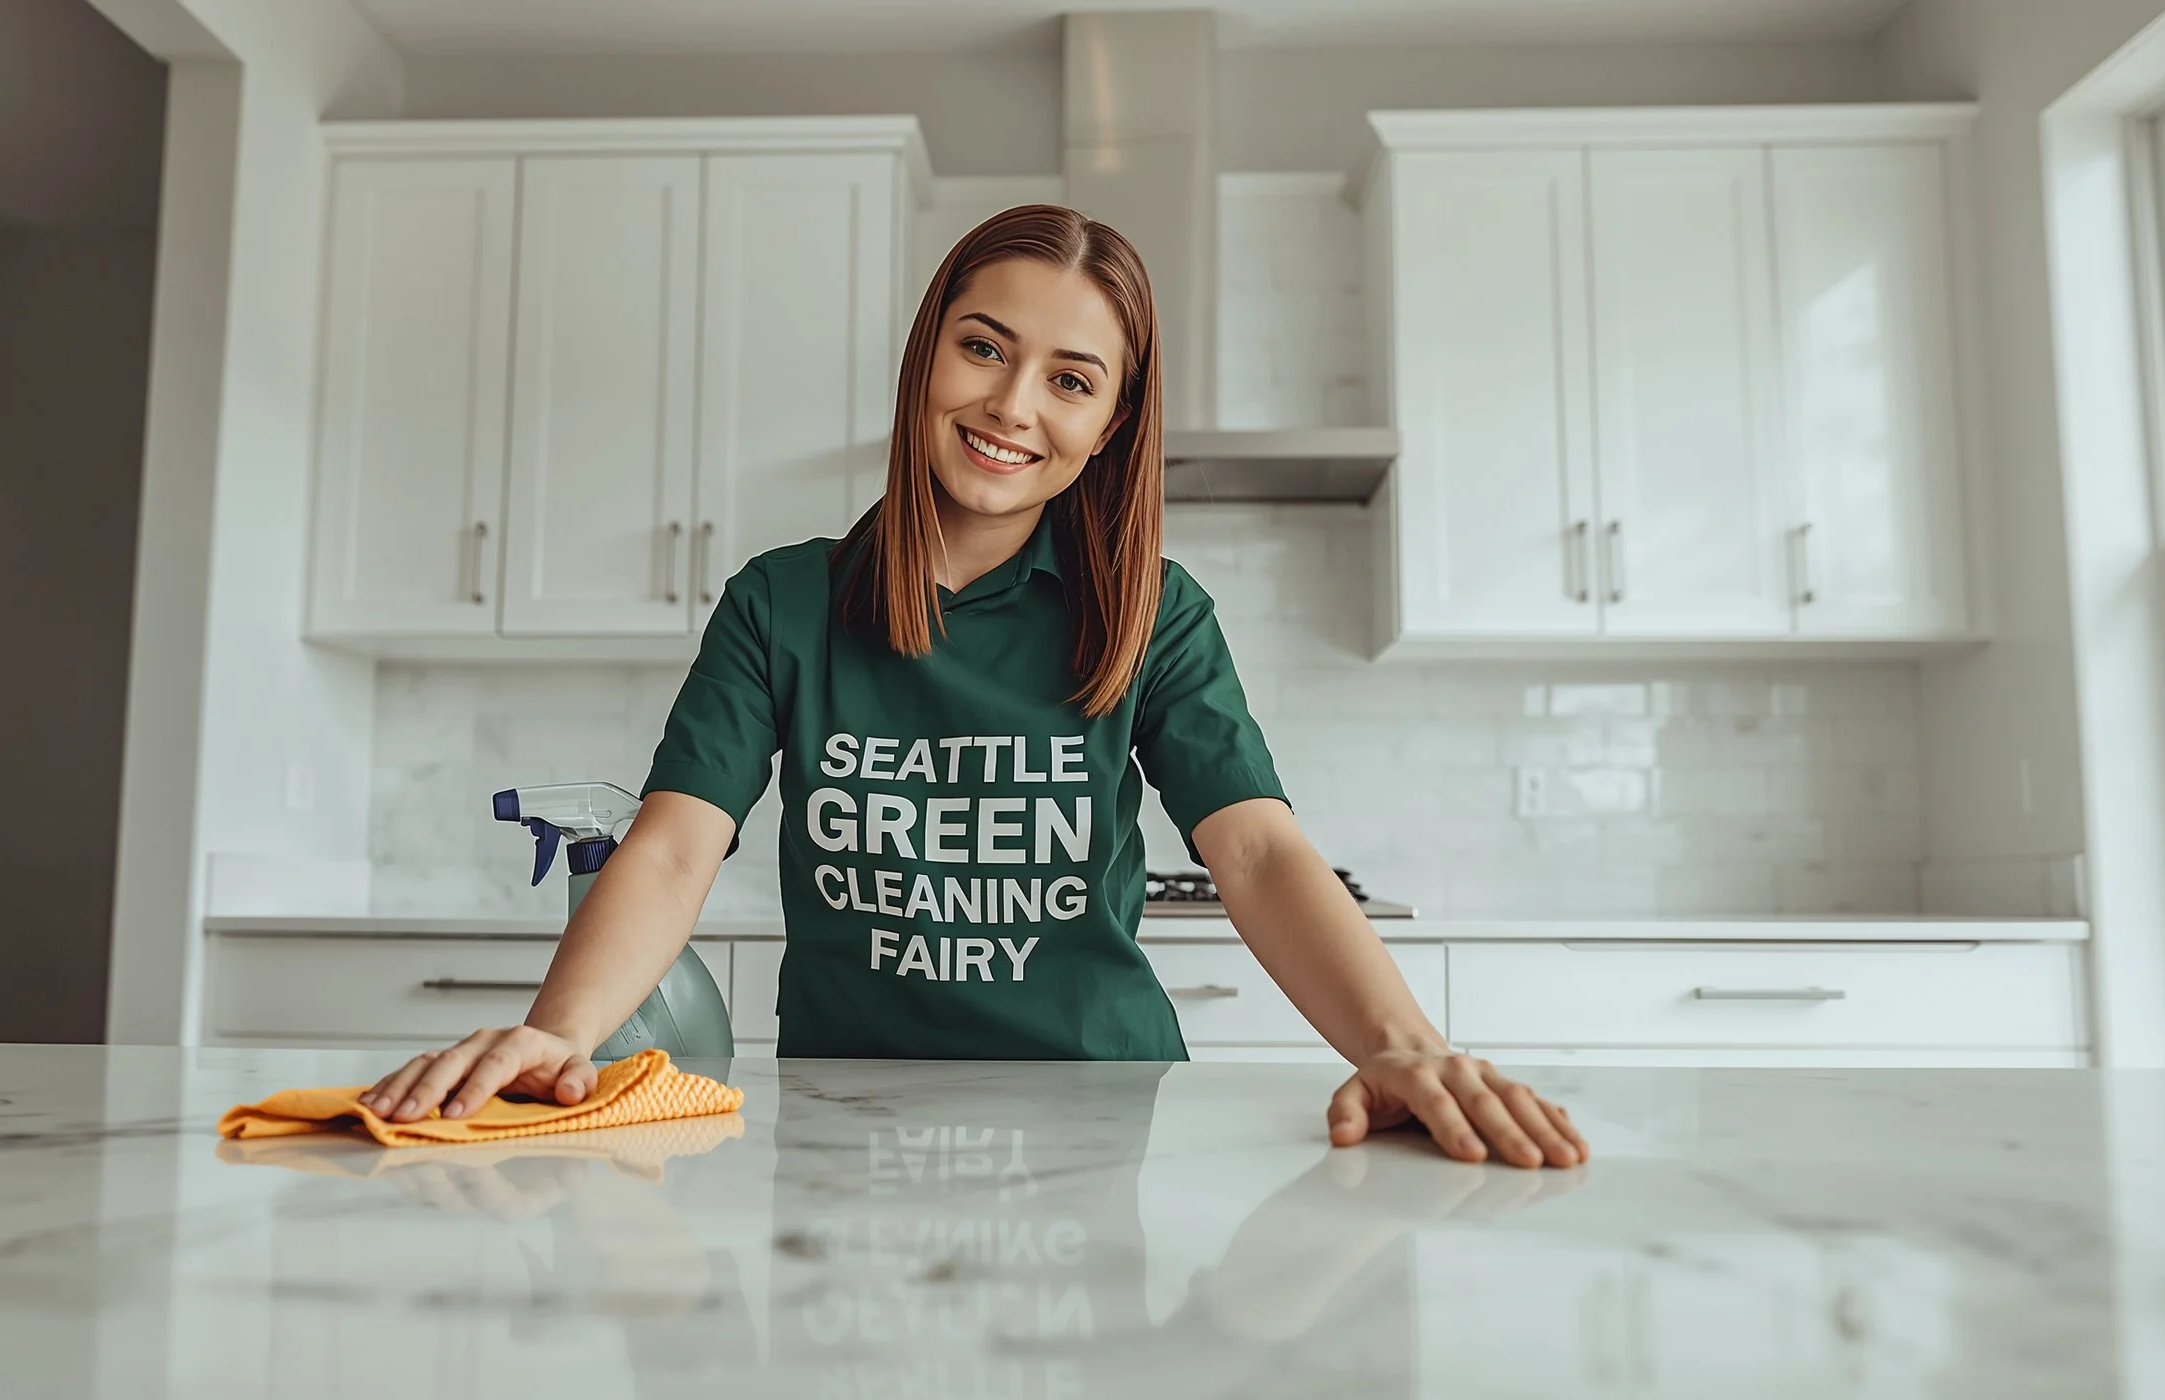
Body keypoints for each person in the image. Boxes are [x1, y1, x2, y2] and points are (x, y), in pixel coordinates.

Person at [363, 205, 1587, 1170]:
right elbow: (677, 846)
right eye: (983, 347)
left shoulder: (1153, 609)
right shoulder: (780, 603)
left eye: (1070, 378)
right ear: (927, 354)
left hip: (1104, 1111)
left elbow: (1257, 851)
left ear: (1108, 423)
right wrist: (558, 1030)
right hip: (845, 1116)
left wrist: (1404, 1048)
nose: (1010, 405)